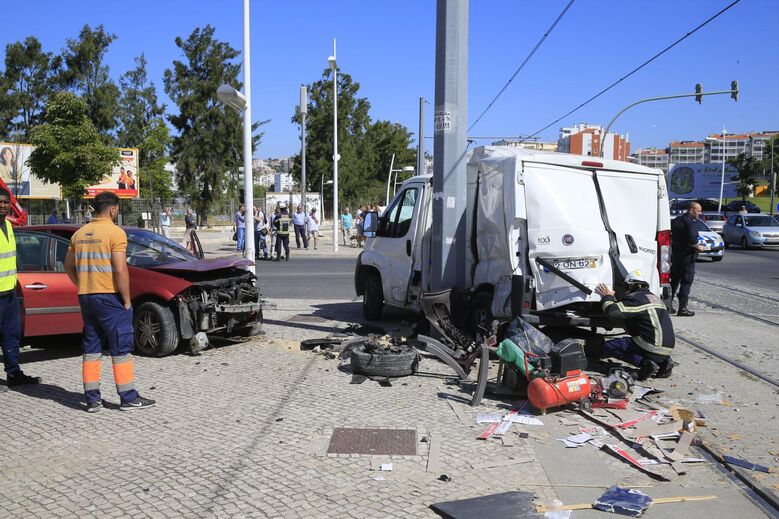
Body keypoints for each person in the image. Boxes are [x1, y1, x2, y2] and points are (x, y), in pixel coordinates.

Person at [63, 191, 155, 412]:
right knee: (121, 348)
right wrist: (127, 300)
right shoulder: (115, 232)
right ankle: (128, 397)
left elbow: (67, 266)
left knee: (91, 349)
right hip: (110, 298)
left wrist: (82, 284)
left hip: (87, 297)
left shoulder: (79, 234)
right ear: (113, 209)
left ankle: (92, 399)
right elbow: (121, 269)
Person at [594, 270, 674, 381]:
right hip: (667, 347)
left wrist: (607, 297)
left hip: (651, 345)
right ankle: (665, 362)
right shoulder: (655, 298)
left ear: (630, 285)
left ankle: (646, 363)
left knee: (609, 346)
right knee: (641, 344)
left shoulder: (636, 299)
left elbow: (613, 313)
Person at [0, 189, 41, 391]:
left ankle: (14, 373)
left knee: (12, 334)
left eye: (6, 202)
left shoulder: (8, 225)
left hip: (9, 293)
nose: (3, 205)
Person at [671, 201, 706, 316]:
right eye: (698, 211)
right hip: (687, 257)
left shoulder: (677, 220)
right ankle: (683, 308)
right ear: (691, 210)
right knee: (686, 281)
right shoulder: (690, 223)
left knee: (674, 280)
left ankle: (667, 305)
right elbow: (693, 240)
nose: (700, 213)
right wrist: (700, 247)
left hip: (676, 256)